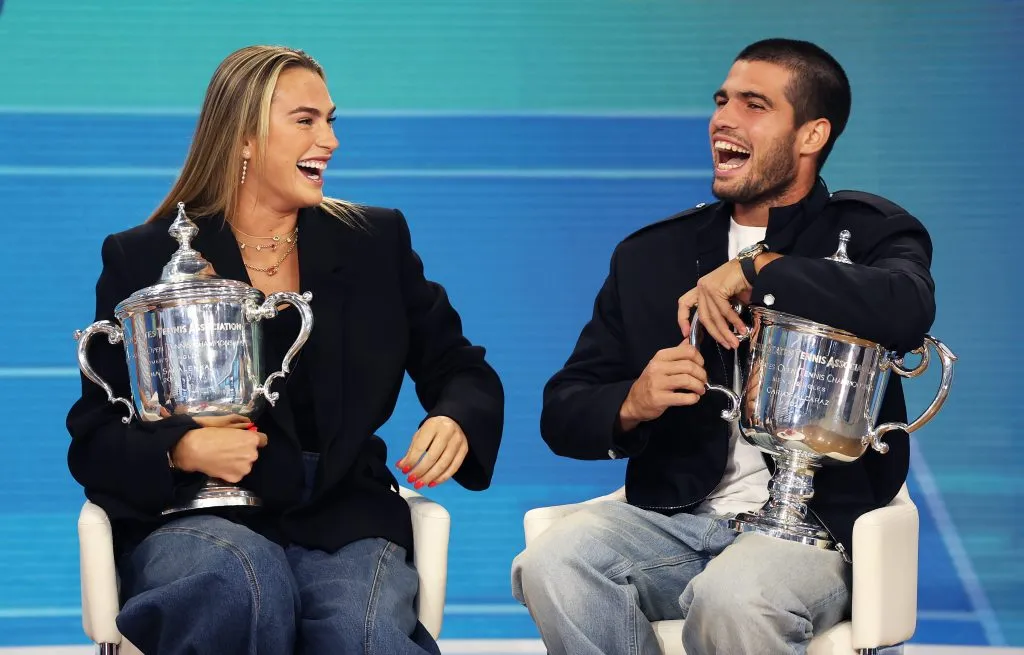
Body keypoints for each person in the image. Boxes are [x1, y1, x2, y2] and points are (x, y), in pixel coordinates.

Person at [67, 45, 504, 655]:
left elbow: (460, 366)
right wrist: (182, 448)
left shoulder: (377, 240)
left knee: (364, 635)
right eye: (306, 120)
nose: (330, 140)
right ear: (244, 139)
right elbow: (95, 437)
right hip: (196, 521)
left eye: (331, 120)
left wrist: (456, 416)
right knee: (245, 586)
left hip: (342, 518)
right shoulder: (143, 258)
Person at [512, 38, 935, 654]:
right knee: (553, 563)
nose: (723, 119)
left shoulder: (869, 231)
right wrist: (633, 401)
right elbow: (564, 411)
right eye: (722, 100)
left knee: (734, 597)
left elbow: (908, 307)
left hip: (814, 532)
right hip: (675, 519)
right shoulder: (649, 256)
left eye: (754, 104)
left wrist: (760, 269)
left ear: (811, 135)